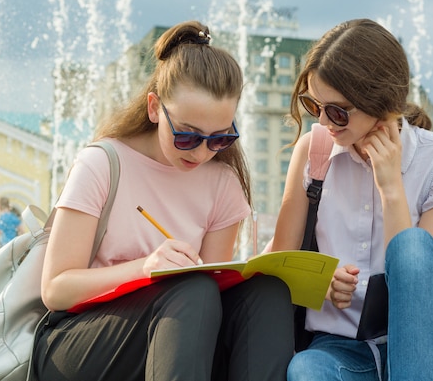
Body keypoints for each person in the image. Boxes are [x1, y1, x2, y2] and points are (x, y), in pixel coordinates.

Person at [32, 21, 294, 381]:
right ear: (155, 108)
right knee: (191, 290)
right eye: (187, 136)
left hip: (174, 333)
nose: (202, 153)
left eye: (220, 138)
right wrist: (145, 268)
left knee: (266, 292)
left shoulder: (222, 184)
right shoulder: (103, 163)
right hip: (79, 338)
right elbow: (56, 290)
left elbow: (212, 296)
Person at [271, 19, 433, 381]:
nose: (323, 121)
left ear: (381, 103)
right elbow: (275, 263)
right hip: (343, 348)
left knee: (415, 246)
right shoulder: (314, 150)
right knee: (305, 370)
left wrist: (390, 188)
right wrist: (317, 279)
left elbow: (418, 284)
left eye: (337, 111)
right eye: (313, 104)